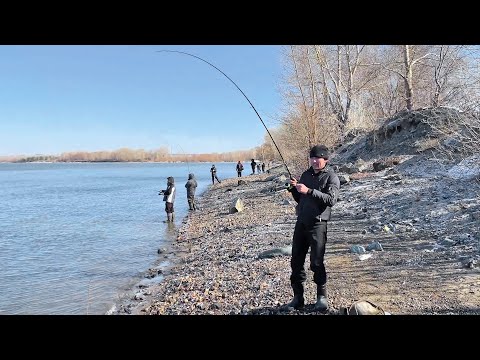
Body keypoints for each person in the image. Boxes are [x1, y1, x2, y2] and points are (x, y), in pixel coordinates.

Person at [284, 145, 340, 312]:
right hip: (301, 223)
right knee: (296, 261)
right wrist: (294, 188)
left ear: (326, 160)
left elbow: (331, 199)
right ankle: (298, 297)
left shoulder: (331, 177)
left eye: (319, 158)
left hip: (318, 224)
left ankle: (321, 298)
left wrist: (308, 190)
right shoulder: (306, 175)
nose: (315, 161)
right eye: (312, 158)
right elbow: (300, 199)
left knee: (316, 262)